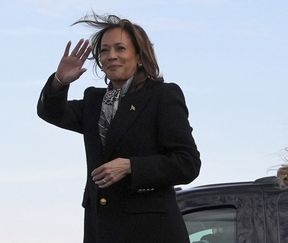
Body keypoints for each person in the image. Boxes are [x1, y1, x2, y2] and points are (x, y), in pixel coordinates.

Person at [37, 13, 201, 243]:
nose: (111, 56)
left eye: (120, 48)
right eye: (104, 50)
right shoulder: (94, 101)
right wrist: (60, 81)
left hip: (151, 232)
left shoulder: (162, 96)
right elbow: (51, 112)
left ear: (140, 56)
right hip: (101, 230)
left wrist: (131, 166)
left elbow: (188, 163)